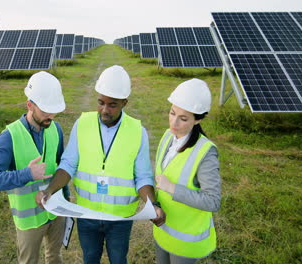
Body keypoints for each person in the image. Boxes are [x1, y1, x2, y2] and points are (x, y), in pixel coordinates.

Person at [35, 65, 165, 264]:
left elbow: (143, 177)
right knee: (90, 259)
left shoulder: (138, 132)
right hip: (87, 216)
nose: (104, 110)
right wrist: (50, 190)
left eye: (112, 105)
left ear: (124, 103)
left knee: (118, 260)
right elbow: (68, 164)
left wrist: (153, 205)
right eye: (101, 102)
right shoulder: (82, 124)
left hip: (121, 219)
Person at [0, 71, 69, 264]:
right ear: (30, 105)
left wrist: (66, 198)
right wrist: (26, 174)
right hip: (29, 221)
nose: (51, 116)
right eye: (45, 111)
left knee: (54, 257)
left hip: (55, 211)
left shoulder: (56, 129)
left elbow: (62, 165)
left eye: (53, 111)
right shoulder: (9, 136)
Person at [153, 79, 221, 264]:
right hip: (162, 229)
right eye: (172, 113)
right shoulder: (168, 136)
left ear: (198, 119)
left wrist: (172, 188)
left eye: (183, 119)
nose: (174, 122)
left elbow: (213, 201)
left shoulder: (205, 153)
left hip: (186, 242)